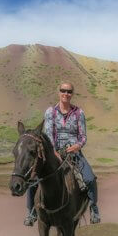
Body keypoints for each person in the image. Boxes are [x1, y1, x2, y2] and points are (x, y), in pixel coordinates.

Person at [24, 82, 100, 225]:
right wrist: (53, 151)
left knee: (89, 179)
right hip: (53, 151)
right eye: (63, 90)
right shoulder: (50, 112)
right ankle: (31, 212)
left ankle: (94, 208)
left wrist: (75, 147)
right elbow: (48, 134)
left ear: (72, 94)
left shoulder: (79, 113)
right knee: (33, 179)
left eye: (69, 91)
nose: (66, 93)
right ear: (58, 92)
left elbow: (83, 137)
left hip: (73, 152)